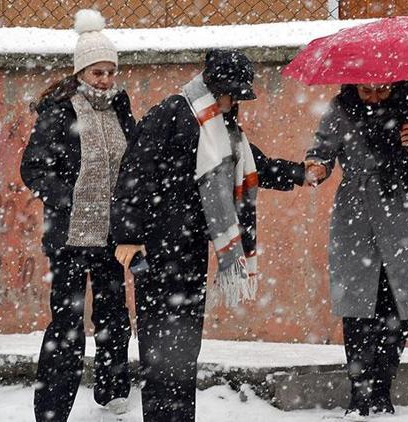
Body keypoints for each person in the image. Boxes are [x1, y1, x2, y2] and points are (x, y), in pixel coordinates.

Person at [111, 49, 306, 422]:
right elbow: (135, 172)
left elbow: (253, 165)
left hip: (191, 252)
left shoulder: (222, 126)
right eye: (232, 94)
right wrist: (128, 236)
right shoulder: (171, 113)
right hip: (158, 250)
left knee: (184, 349)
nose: (235, 102)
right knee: (160, 349)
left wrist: (297, 173)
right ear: (216, 87)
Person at [20, 9, 136, 422]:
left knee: (114, 316)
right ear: (80, 72)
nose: (104, 80)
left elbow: (133, 161)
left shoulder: (121, 107)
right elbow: (33, 169)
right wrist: (69, 201)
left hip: (110, 236)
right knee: (67, 326)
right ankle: (52, 409)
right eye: (96, 72)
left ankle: (112, 393)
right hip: (69, 238)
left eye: (109, 72)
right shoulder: (58, 110)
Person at [304, 81, 408, 419]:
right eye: (366, 91)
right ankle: (359, 394)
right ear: (354, 88)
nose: (374, 97)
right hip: (357, 217)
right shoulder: (341, 109)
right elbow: (321, 151)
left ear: (395, 86)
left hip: (402, 216)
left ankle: (382, 390)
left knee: (397, 307)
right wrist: (317, 167)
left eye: (381, 91)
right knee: (358, 309)